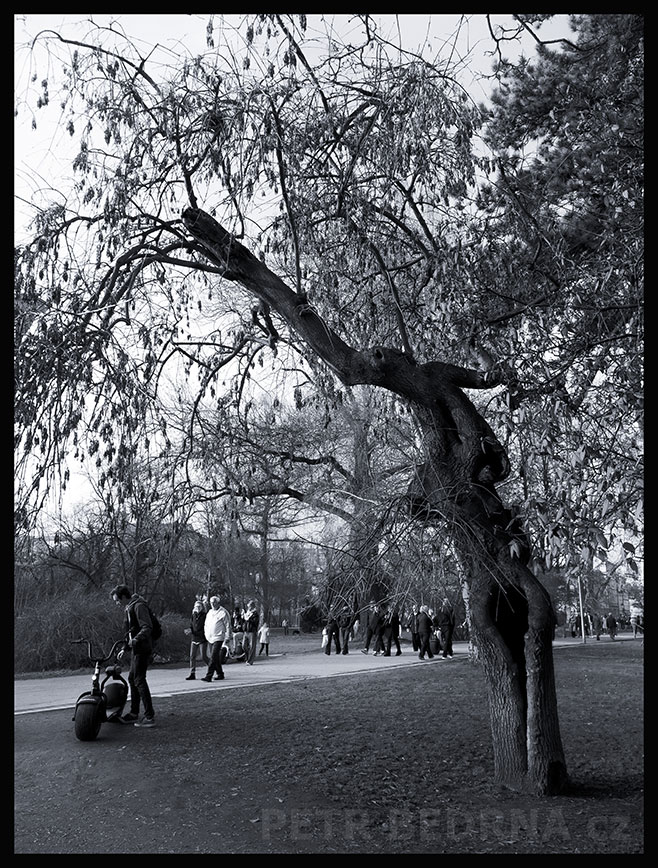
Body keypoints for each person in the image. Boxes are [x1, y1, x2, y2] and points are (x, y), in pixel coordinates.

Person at [111, 584, 156, 727]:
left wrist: (136, 640)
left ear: (124, 597)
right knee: (132, 678)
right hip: (137, 648)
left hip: (142, 648)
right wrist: (126, 647)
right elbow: (131, 630)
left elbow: (147, 627)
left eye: (117, 600)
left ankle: (149, 717)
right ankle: (134, 713)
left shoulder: (138, 606)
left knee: (139, 680)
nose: (117, 604)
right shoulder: (130, 607)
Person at [201, 596, 232, 681]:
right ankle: (220, 674)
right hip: (210, 637)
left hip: (219, 637)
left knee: (213, 656)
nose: (213, 604)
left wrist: (227, 637)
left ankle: (209, 675)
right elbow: (206, 624)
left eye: (215, 602)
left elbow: (228, 626)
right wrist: (206, 633)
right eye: (211, 603)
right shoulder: (210, 612)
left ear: (218, 603)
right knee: (216, 657)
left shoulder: (223, 612)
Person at [185, 600, 209, 680]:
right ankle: (192, 673)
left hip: (202, 638)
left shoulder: (205, 616)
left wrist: (196, 632)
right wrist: (189, 630)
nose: (197, 608)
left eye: (199, 607)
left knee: (203, 656)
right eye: (196, 607)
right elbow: (191, 625)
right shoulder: (194, 615)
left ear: (202, 607)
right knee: (192, 656)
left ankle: (212, 668)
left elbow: (206, 628)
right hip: (194, 638)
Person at [242, 599, 259, 665]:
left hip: (252, 631)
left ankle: (250, 661)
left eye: (249, 606)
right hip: (246, 631)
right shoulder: (247, 613)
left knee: (252, 646)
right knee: (244, 645)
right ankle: (247, 657)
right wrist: (243, 617)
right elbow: (244, 621)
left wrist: (249, 619)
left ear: (252, 606)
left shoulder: (255, 613)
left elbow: (255, 622)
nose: (248, 607)